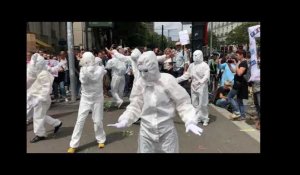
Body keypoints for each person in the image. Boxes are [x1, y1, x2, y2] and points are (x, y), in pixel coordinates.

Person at [107, 51, 203, 153]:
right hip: (146, 131)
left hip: (166, 131)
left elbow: (182, 102)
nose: (143, 75)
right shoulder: (139, 83)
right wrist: (126, 118)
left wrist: (189, 120)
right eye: (140, 71)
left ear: (153, 67)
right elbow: (135, 105)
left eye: (146, 71)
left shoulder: (167, 81)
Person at [67, 52, 107, 153]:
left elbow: (95, 79)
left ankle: (101, 139)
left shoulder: (100, 69)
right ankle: (73, 144)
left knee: (97, 121)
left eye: (87, 60)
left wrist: (88, 71)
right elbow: (83, 81)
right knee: (80, 121)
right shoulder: (83, 70)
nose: (86, 62)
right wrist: (85, 71)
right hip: (85, 98)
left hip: (97, 98)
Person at [27, 53, 62, 143]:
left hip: (41, 99)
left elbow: (47, 88)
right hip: (36, 97)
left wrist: (40, 98)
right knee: (39, 115)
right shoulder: (39, 71)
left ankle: (40, 134)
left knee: (38, 117)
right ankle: (57, 123)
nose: (33, 65)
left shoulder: (43, 73)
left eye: (35, 64)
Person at [177, 50, 210, 126]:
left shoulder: (205, 65)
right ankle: (198, 117)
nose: (195, 57)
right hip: (194, 85)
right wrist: (177, 80)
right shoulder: (192, 65)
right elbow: (186, 75)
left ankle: (205, 118)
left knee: (203, 103)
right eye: (194, 55)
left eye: (196, 55)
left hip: (202, 86)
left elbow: (206, 75)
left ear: (200, 55)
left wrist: (202, 81)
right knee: (194, 103)